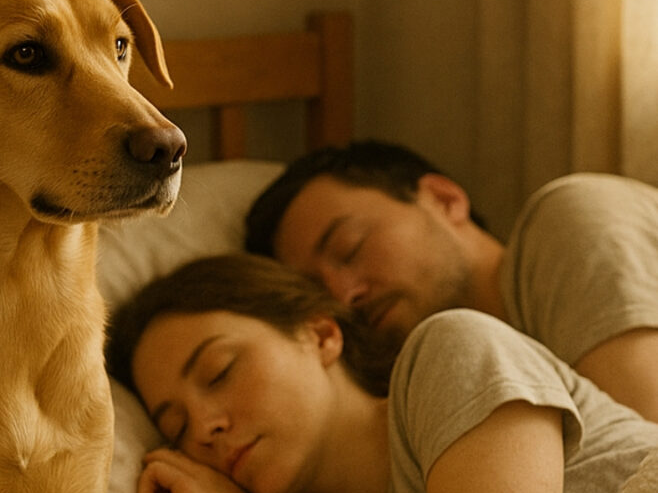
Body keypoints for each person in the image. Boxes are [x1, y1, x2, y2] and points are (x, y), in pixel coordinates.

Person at [105, 253, 658, 493]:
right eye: (175, 427)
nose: (205, 427)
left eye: (220, 371)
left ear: (321, 334)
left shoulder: (450, 354)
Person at [244, 139, 658, 422]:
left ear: (444, 199)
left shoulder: (570, 222)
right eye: (319, 292)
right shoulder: (438, 392)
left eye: (350, 248)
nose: (345, 295)